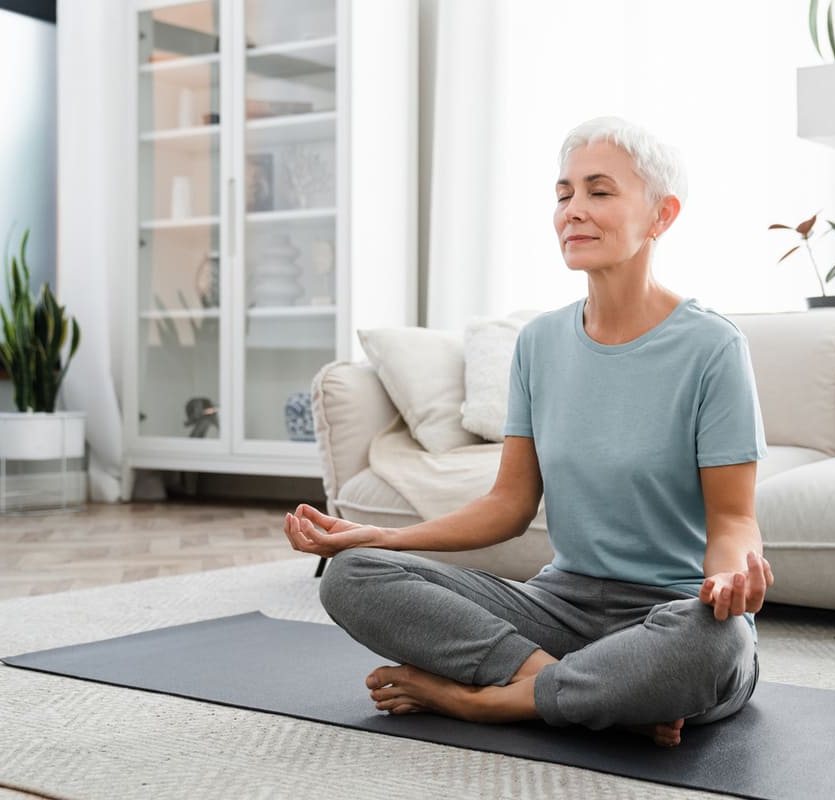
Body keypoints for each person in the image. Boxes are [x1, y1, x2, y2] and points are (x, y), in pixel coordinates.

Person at [283, 117, 774, 747]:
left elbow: (733, 519)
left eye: (599, 192)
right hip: (558, 608)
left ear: (661, 215)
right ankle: (588, 694)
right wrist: (383, 536)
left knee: (718, 643)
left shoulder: (713, 347)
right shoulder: (539, 344)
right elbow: (508, 506)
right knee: (353, 576)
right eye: (564, 193)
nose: (574, 210)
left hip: (669, 616)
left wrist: (731, 580)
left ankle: (486, 703)